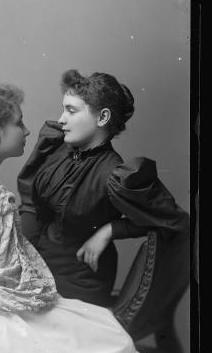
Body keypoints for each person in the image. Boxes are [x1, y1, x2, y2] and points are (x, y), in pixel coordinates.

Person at [0, 83, 150, 353]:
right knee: (114, 341)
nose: (27, 131)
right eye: (19, 123)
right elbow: (9, 282)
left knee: (98, 323)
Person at [17, 70, 190, 307]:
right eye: (63, 109)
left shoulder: (115, 175)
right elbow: (31, 204)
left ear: (102, 117)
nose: (62, 119)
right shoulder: (57, 148)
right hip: (36, 261)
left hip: (78, 281)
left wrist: (109, 230)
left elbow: (174, 221)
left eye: (71, 110)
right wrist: (20, 255)